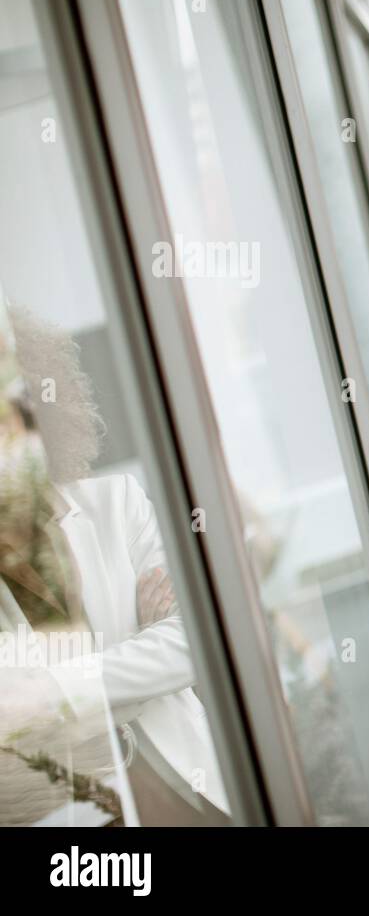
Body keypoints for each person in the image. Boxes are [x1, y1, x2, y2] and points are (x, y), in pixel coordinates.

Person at [0, 305, 229, 824]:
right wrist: (135, 664)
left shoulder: (115, 504)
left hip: (185, 789)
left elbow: (192, 644)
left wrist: (55, 691)